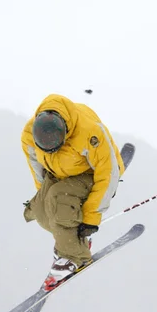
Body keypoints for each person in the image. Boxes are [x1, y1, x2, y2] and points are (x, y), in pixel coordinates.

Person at [21, 93, 126, 285]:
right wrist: (44, 200)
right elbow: (38, 172)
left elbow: (107, 173)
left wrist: (91, 216)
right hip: (60, 174)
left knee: (61, 201)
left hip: (91, 173)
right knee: (43, 213)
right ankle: (72, 241)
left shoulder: (89, 133)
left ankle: (75, 257)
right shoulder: (28, 136)